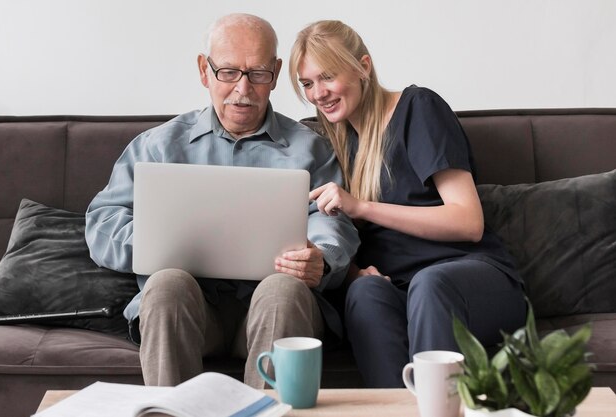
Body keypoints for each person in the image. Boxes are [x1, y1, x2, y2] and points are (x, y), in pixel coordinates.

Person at [85, 14, 358, 388]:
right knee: (165, 284)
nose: (242, 89)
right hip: (191, 309)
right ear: (204, 70)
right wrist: (156, 243)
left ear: (276, 74)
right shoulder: (158, 145)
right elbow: (102, 220)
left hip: (274, 305)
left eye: (258, 73)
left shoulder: (310, 147)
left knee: (282, 289)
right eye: (228, 72)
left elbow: (333, 221)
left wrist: (321, 259)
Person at [289, 20, 527, 388]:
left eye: (328, 76)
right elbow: (336, 234)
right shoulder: (333, 142)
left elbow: (468, 221)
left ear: (363, 66)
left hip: (471, 279)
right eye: (307, 83)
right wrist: (355, 274)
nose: (318, 93)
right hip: (399, 288)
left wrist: (362, 207)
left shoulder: (418, 108)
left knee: (430, 285)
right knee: (364, 294)